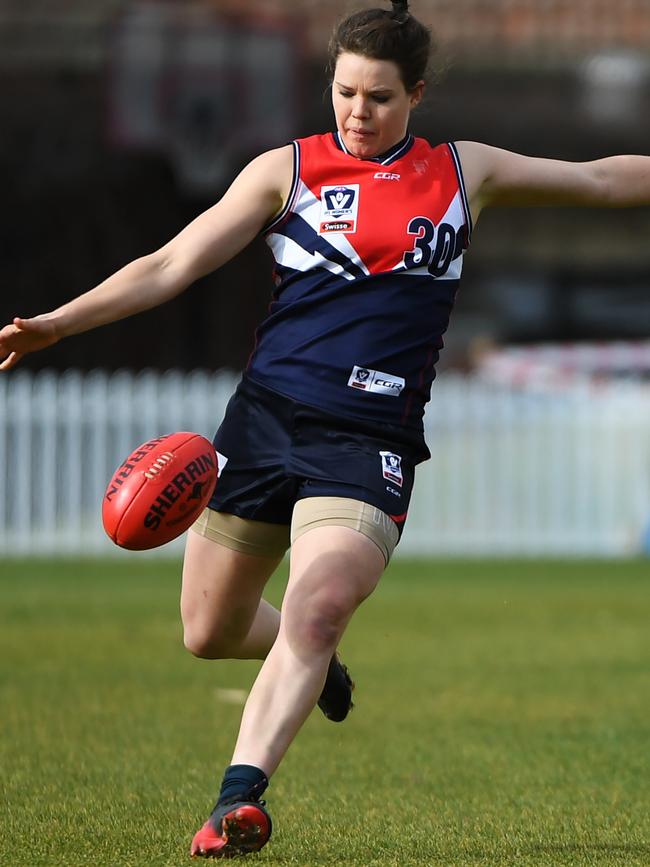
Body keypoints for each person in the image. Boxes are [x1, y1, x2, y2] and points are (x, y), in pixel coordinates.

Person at [2, 0, 650, 858]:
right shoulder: (287, 171)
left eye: (379, 97)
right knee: (208, 631)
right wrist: (57, 323)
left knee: (321, 601)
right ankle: (316, 668)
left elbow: (604, 178)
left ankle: (238, 799)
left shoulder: (466, 171)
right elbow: (170, 262)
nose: (357, 112)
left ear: (415, 95)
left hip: (368, 439)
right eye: (344, 92)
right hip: (263, 426)